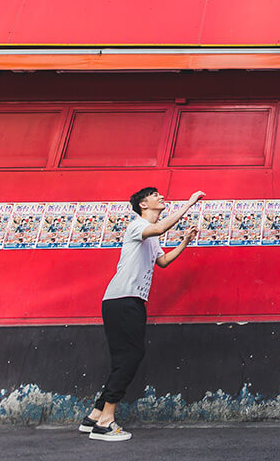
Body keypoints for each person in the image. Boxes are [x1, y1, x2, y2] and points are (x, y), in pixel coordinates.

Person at [80, 187, 205, 441]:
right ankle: (106, 422)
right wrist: (189, 203)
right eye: (154, 195)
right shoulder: (137, 226)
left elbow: (163, 262)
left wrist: (185, 242)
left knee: (123, 359)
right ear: (143, 205)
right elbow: (159, 229)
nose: (160, 197)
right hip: (123, 299)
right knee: (131, 355)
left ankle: (94, 416)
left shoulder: (151, 235)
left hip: (126, 301)